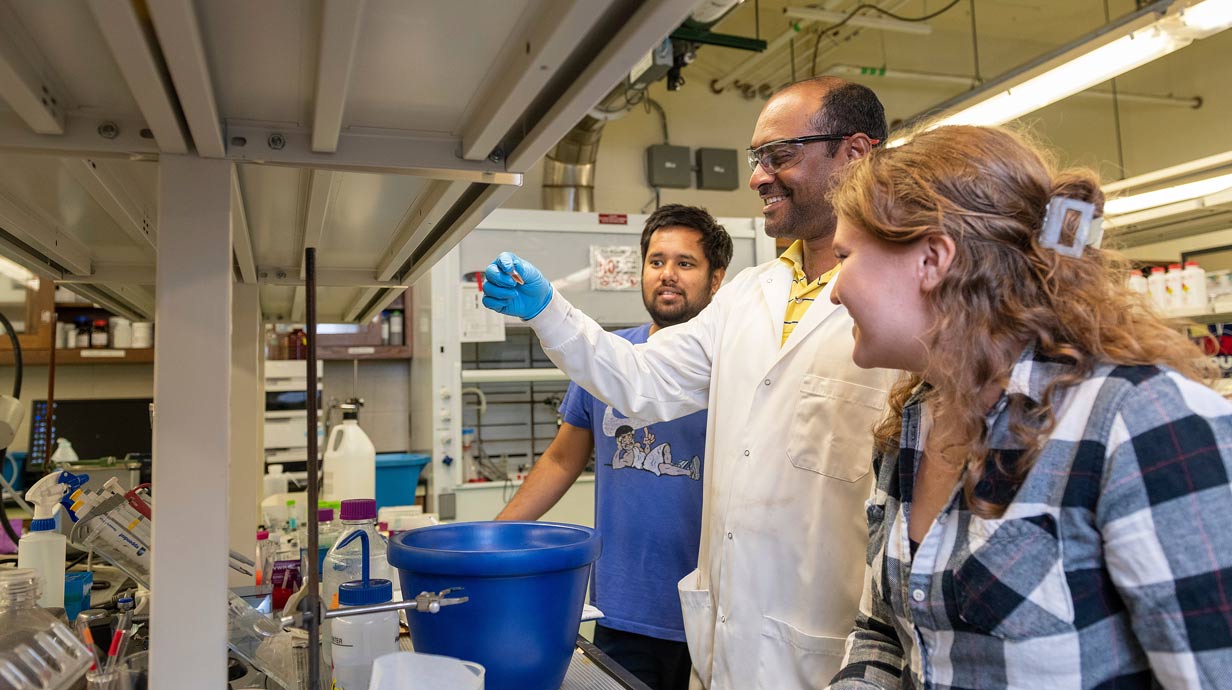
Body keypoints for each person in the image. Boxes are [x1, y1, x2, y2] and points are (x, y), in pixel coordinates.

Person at [481, 77, 898, 690]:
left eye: (779, 155)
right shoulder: (748, 298)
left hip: (830, 651)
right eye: (757, 158)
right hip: (723, 644)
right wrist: (550, 310)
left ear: (855, 153)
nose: (758, 175)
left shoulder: (906, 299)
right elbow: (640, 378)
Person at [825, 124, 1232, 689]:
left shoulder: (1138, 420)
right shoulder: (914, 423)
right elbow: (886, 633)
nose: (833, 289)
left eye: (844, 256)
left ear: (933, 259)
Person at [496, 204, 733, 690]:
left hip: (717, 615)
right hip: (622, 611)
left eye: (685, 263)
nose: (667, 275)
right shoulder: (604, 359)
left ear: (716, 280)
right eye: (656, 261)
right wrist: (494, 535)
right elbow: (563, 458)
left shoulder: (735, 370)